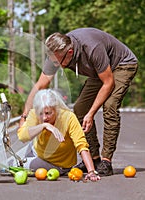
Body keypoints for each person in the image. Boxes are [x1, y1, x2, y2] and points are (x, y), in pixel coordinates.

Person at [20, 27, 138, 176]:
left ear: (69, 53)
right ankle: (94, 160)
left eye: (59, 63)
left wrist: (92, 113)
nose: (57, 66)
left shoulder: (92, 47)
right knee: (80, 109)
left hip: (122, 64)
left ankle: (106, 162)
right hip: (99, 71)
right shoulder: (55, 53)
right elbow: (40, 85)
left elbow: (108, 83)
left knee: (110, 106)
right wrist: (24, 116)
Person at [17, 89, 100, 182]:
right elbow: (22, 137)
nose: (44, 117)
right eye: (41, 113)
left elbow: (81, 145)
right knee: (6, 163)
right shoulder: (35, 113)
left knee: (12, 166)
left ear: (56, 109)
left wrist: (91, 171)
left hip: (56, 164)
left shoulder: (68, 117)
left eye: (48, 113)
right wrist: (44, 125)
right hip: (36, 150)